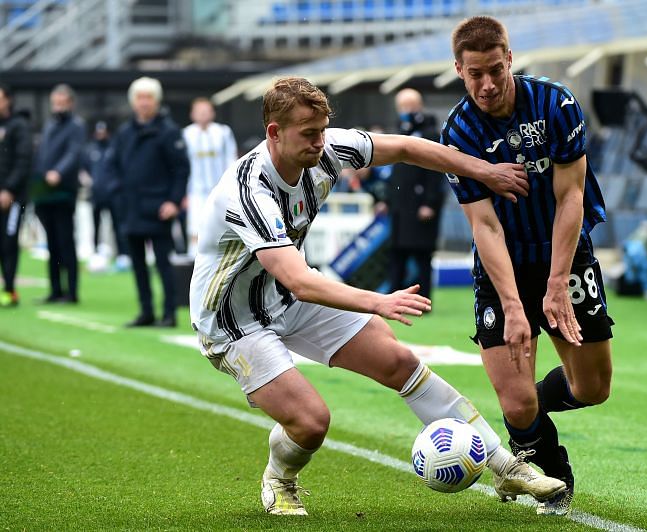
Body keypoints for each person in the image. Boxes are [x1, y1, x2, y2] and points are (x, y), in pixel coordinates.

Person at [189, 76, 563, 516]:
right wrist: (377, 301)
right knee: (310, 423)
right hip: (234, 321)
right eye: (309, 134)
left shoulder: (326, 149)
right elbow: (299, 280)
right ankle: (279, 478)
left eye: (323, 130)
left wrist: (483, 170)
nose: (320, 143)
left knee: (399, 362)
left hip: (287, 298)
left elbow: (407, 147)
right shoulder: (248, 190)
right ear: (275, 132)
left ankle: (504, 465)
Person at [441, 16, 614, 516]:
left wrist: (557, 283)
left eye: (495, 70)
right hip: (502, 268)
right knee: (516, 405)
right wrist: (515, 305)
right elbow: (485, 227)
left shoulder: (556, 104)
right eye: (475, 74)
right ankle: (552, 478)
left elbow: (570, 196)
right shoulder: (459, 131)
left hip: (564, 252)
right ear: (459, 70)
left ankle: (531, 410)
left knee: (593, 388)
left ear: (510, 59)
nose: (488, 84)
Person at [107, 77, 190, 327]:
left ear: (157, 101)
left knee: (163, 264)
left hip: (159, 209)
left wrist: (173, 201)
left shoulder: (169, 131)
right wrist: (116, 193)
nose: (144, 103)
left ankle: (169, 313)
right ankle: (146, 311)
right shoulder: (125, 132)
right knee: (138, 264)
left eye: (148, 97)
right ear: (133, 102)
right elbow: (113, 166)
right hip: (130, 207)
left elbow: (181, 169)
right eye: (140, 98)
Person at [382, 88, 445, 300]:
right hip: (400, 208)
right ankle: (394, 297)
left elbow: (435, 174)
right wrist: (385, 200)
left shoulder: (430, 134)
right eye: (402, 107)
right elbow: (392, 174)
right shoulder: (398, 131)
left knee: (422, 255)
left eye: (410, 106)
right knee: (397, 254)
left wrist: (429, 203)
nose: (406, 111)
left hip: (421, 208)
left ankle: (424, 298)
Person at [33, 84, 86, 304]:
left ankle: (71, 291)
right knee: (52, 243)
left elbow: (73, 153)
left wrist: (58, 172)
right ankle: (55, 289)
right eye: (56, 103)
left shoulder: (76, 125)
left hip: (63, 190)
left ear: (70, 104)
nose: (58, 107)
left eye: (62, 103)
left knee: (66, 241)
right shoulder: (50, 125)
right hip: (44, 190)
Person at [182, 97, 238, 255]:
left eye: (206, 111)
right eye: (199, 112)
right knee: (195, 227)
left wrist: (231, 187)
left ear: (212, 113)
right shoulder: (186, 134)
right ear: (192, 114)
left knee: (223, 224)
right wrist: (185, 193)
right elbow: (184, 165)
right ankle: (194, 260)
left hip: (220, 189)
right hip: (196, 190)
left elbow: (230, 159)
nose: (202, 115)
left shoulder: (223, 132)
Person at [0, 83, 33, 307]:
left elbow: (23, 161)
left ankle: (10, 290)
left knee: (9, 242)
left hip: (12, 198)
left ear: (8, 100)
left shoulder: (19, 126)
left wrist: (9, 189)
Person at [83, 121, 129, 269]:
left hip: (114, 194)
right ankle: (96, 252)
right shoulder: (91, 149)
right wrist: (89, 182)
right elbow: (83, 169)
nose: (101, 135)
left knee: (117, 225)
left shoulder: (115, 148)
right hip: (96, 194)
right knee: (96, 225)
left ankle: (122, 254)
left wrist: (116, 185)